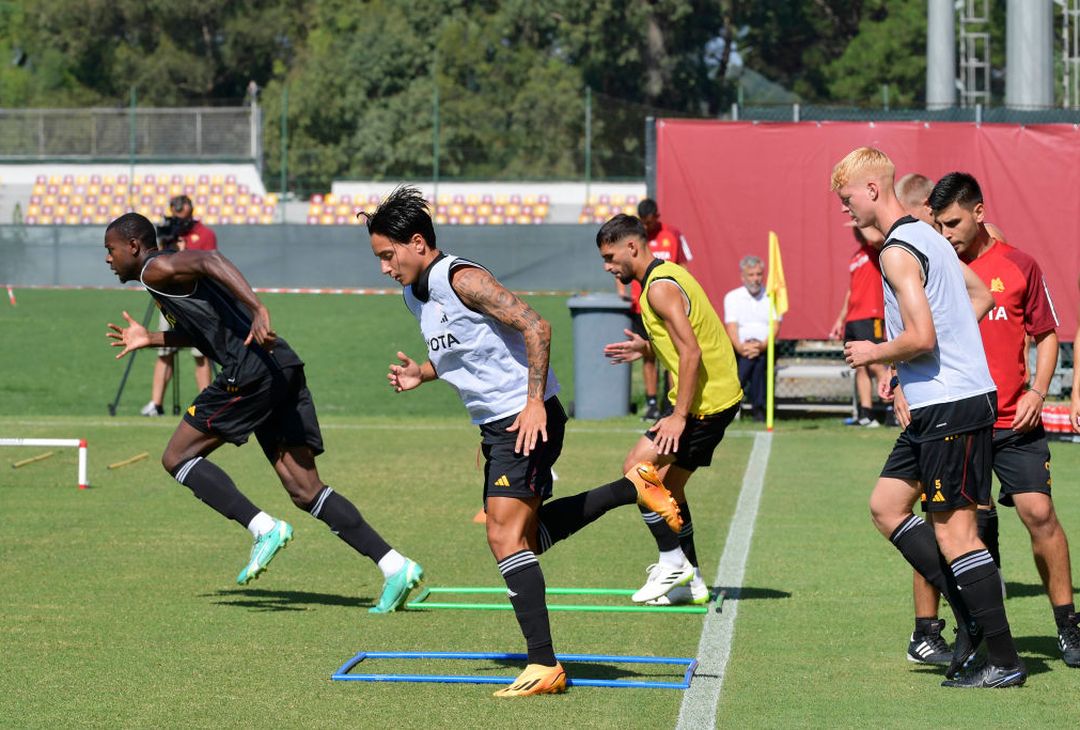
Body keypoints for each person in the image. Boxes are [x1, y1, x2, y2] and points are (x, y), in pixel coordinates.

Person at [365, 187, 683, 697]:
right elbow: (465, 353)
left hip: (525, 419)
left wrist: (533, 401)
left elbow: (537, 325)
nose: (383, 267)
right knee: (524, 541)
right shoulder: (414, 295)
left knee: (504, 537)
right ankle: (632, 488)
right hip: (497, 425)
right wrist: (422, 373)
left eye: (388, 255)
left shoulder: (462, 278)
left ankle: (544, 664)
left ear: (418, 243)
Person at [104, 212, 423, 614]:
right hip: (279, 365)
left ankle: (262, 528)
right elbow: (208, 330)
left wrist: (256, 307)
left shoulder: (155, 267)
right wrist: (150, 338)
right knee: (304, 489)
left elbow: (210, 259)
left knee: (176, 457)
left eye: (110, 249)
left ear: (133, 246)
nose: (108, 259)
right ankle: (396, 566)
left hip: (250, 372)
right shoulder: (163, 278)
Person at [833, 146, 1026, 688]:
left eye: (847, 198)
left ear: (872, 190)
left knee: (959, 535)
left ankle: (1003, 658)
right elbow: (976, 294)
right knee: (887, 505)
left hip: (951, 405)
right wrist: (948, 347)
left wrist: (876, 354)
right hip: (940, 402)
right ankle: (972, 622)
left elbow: (921, 336)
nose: (846, 210)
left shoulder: (899, 249)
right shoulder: (927, 237)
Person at [909, 171, 1078, 668]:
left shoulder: (1020, 265)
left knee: (1039, 514)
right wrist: (899, 384)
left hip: (1014, 420)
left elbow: (1047, 335)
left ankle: (1068, 626)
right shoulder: (931, 267)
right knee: (950, 523)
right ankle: (930, 631)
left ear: (980, 213)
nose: (946, 234)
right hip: (956, 419)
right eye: (938, 225)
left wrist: (1038, 391)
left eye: (954, 223)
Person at [600, 214, 743, 606]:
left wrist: (679, 416)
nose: (608, 266)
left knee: (637, 470)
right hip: (714, 398)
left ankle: (674, 562)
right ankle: (690, 581)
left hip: (704, 405)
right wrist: (647, 348)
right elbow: (687, 339)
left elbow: (691, 351)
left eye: (611, 256)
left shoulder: (659, 288)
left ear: (633, 246)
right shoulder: (665, 277)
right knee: (669, 489)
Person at [615, 198, 693, 420]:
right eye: (645, 222)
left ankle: (671, 402)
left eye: (651, 221)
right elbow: (622, 267)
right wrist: (623, 293)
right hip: (641, 308)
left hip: (667, 306)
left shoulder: (672, 234)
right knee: (647, 356)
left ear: (657, 216)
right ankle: (651, 403)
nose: (648, 226)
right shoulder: (636, 239)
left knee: (671, 354)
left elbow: (683, 266)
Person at [141, 196, 218, 416]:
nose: (179, 221)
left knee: (201, 353)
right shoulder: (168, 233)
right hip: (169, 299)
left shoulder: (205, 234)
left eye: (182, 217)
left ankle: (206, 404)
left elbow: (209, 265)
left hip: (197, 301)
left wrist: (185, 252)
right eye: (176, 217)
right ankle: (155, 404)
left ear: (191, 212)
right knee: (164, 350)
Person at [829, 223, 888, 427]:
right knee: (859, 366)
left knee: (877, 363)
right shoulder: (856, 256)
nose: (855, 230)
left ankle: (893, 409)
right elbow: (850, 291)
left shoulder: (877, 249)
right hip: (854, 318)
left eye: (859, 227)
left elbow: (875, 236)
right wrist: (840, 319)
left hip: (871, 316)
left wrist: (861, 221)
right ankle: (866, 414)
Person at [723, 255, 780, 422]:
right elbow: (731, 327)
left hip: (764, 347)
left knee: (759, 360)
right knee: (756, 362)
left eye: (759, 274)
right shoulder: (732, 297)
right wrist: (741, 347)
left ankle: (731, 400)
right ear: (743, 276)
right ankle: (758, 408)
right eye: (751, 275)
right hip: (740, 348)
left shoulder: (772, 296)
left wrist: (761, 346)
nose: (756, 279)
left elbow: (775, 326)